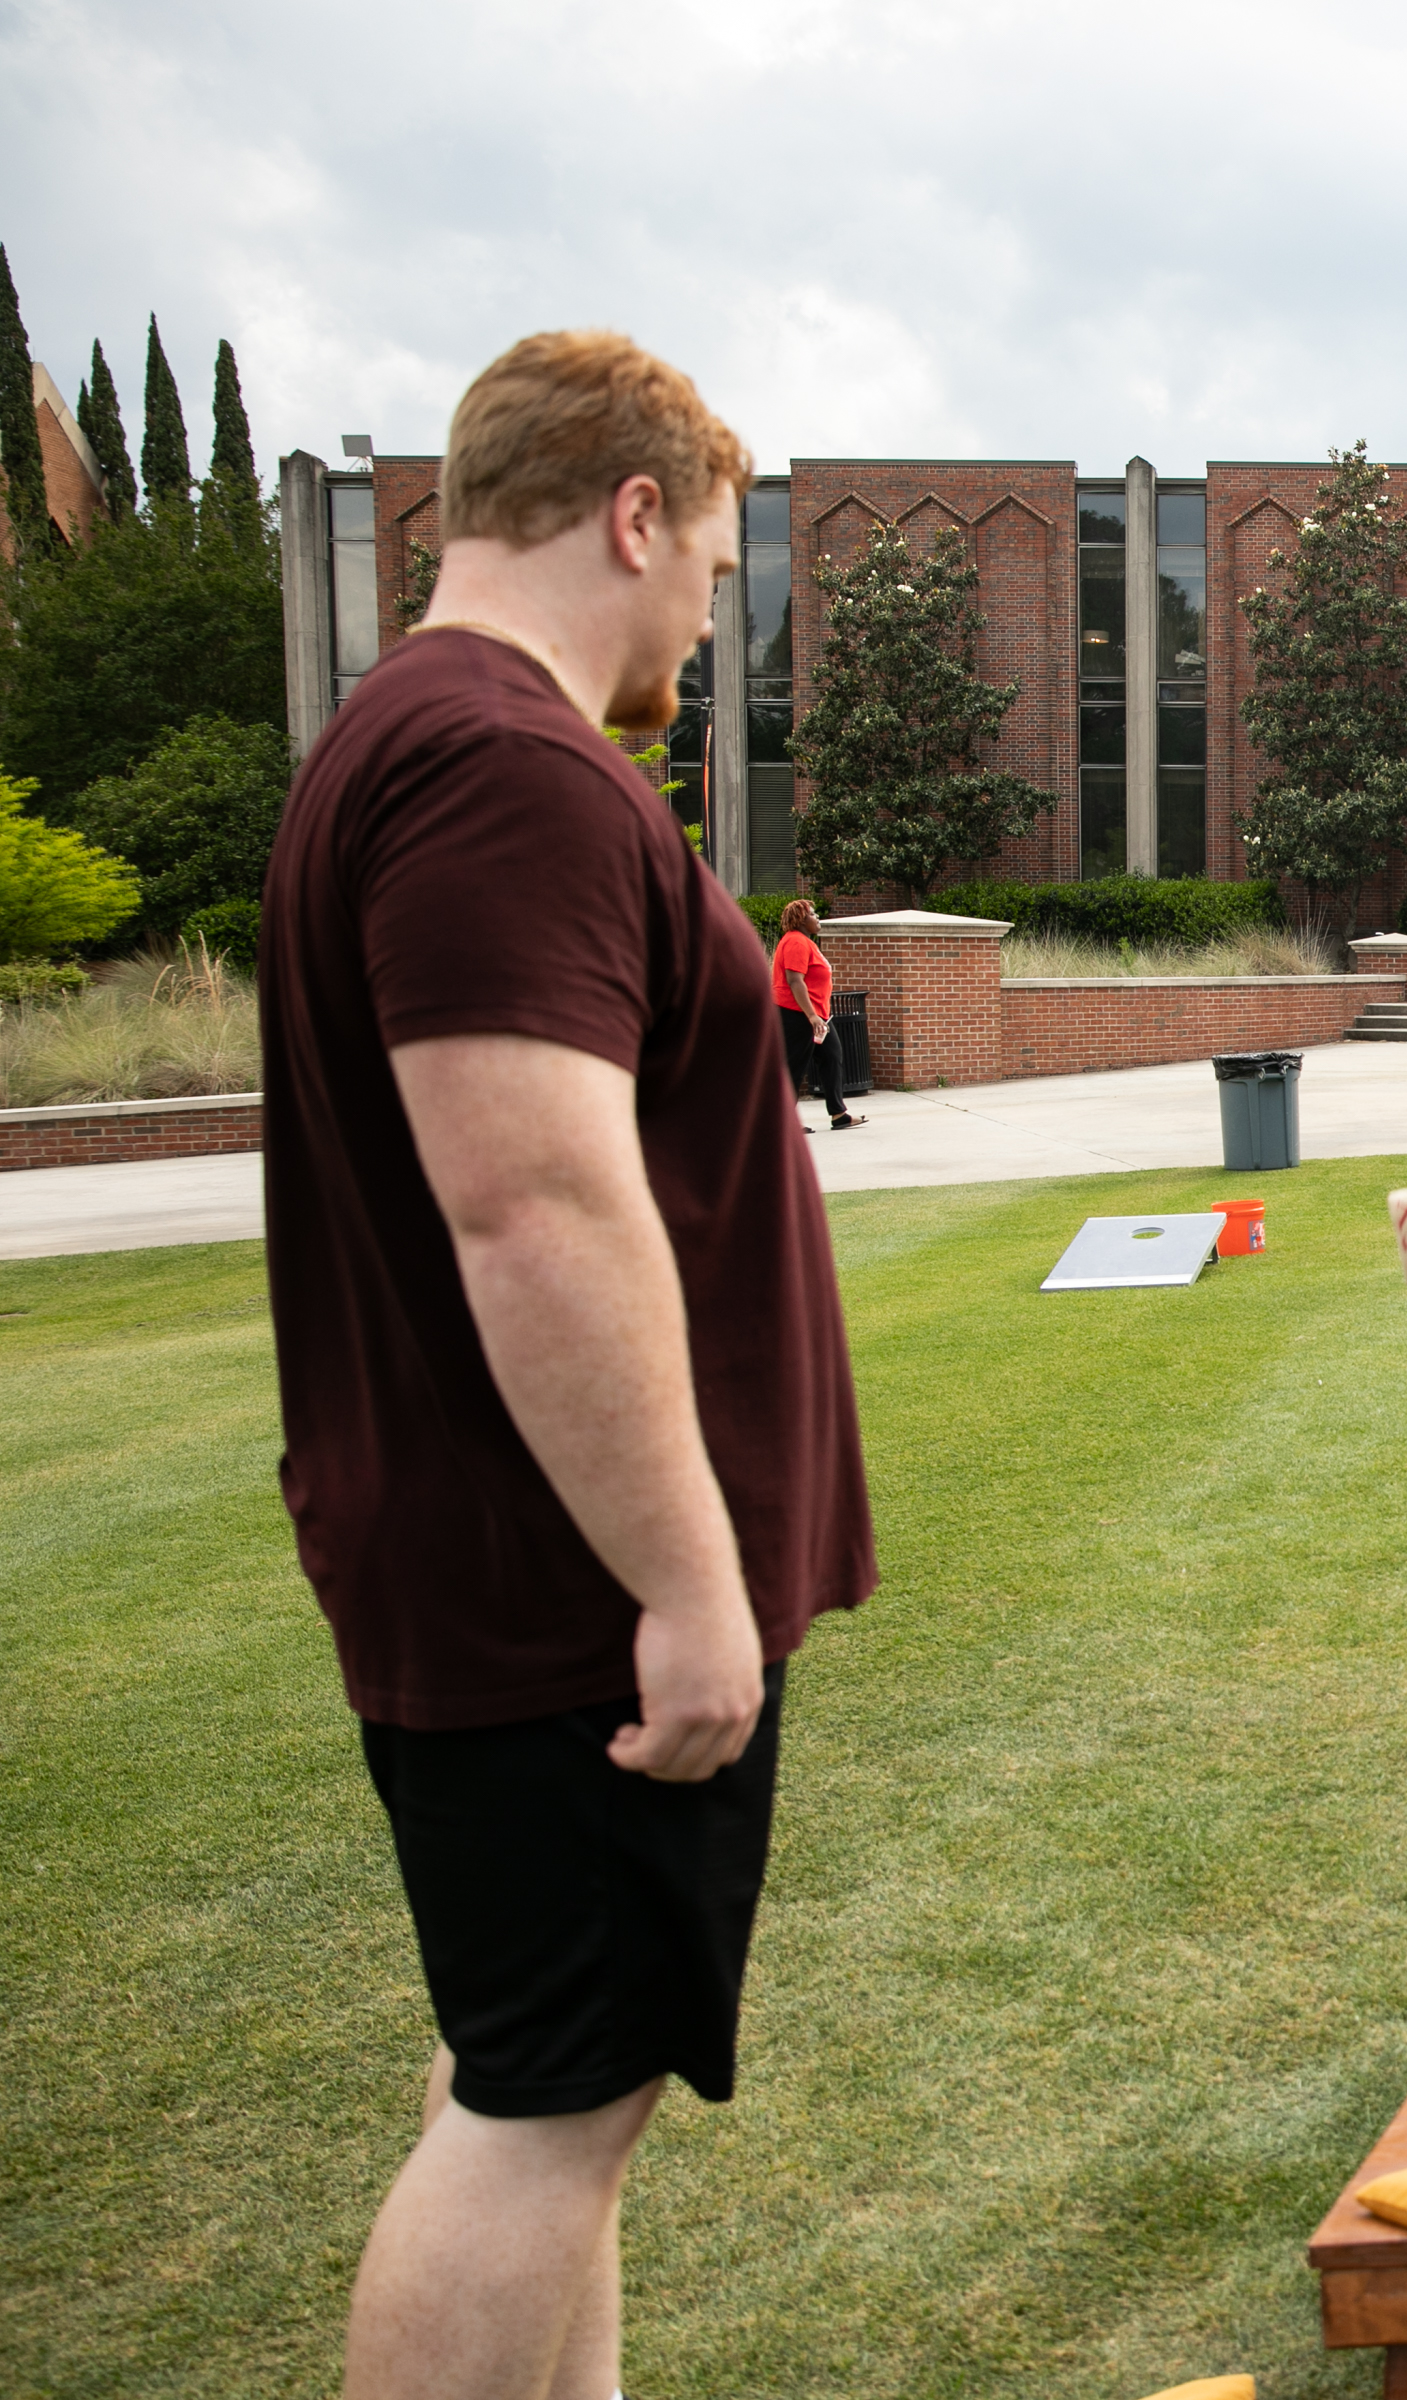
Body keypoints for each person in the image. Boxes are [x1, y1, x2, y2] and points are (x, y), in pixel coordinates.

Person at [257, 331, 875, 2400]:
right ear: (632, 514)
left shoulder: (413, 743)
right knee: (544, 2113)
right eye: (712, 560)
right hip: (567, 1598)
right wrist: (696, 1585)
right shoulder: (499, 766)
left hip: (516, 1574)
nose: (712, 613)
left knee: (547, 2084)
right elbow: (534, 1205)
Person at [769, 900, 865, 1132]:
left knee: (832, 1056)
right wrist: (811, 1016)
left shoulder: (805, 942)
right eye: (813, 914)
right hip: (797, 1015)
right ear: (801, 920)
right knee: (793, 1066)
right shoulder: (794, 941)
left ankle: (838, 1114)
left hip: (816, 1016)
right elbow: (794, 981)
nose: (817, 917)